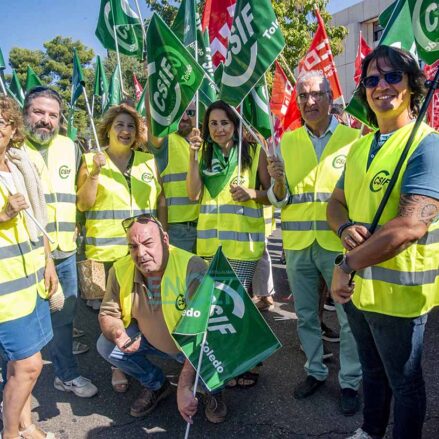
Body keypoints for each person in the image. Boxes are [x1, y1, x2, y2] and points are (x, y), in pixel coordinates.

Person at [328, 45, 439, 439]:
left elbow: (411, 225)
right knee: (371, 370)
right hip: (358, 292)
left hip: (398, 296)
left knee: (405, 384)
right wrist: (343, 230)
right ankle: (371, 430)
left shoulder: (427, 143)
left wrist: (345, 265)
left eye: (393, 76)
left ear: (412, 85)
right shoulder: (360, 146)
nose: (382, 86)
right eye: (372, 79)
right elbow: (335, 203)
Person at [267, 70, 362, 415]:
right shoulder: (287, 142)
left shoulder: (355, 140)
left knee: (348, 316)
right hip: (296, 242)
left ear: (330, 97)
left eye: (316, 94)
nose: (309, 101)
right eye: (303, 96)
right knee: (305, 314)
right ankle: (315, 370)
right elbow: (279, 199)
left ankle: (351, 381)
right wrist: (276, 184)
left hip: (339, 244)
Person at [96, 214, 227, 423]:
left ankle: (212, 388)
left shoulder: (192, 267)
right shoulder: (120, 269)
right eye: (133, 247)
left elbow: (205, 330)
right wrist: (118, 333)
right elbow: (108, 314)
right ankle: (157, 384)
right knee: (106, 345)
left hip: (196, 346)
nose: (141, 254)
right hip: (150, 341)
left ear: (165, 240)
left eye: (148, 243)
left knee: (215, 356)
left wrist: (184, 384)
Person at [77, 103, 166, 393]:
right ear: (108, 129)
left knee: (139, 307)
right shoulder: (92, 159)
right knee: (110, 311)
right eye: (120, 125)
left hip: (140, 252)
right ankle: (118, 364)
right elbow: (83, 204)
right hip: (104, 252)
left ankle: (133, 356)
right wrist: (94, 173)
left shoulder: (147, 161)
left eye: (130, 126)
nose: (125, 131)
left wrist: (162, 236)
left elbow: (160, 200)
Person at [22, 87, 98, 398]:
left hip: (64, 250)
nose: (46, 120)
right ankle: (15, 389)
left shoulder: (70, 147)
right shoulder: (12, 149)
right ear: (25, 113)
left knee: (64, 318)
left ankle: (65, 375)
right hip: (25, 255)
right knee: (20, 324)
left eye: (52, 115)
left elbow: (78, 198)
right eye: (39, 112)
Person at [0, 96, 57, 439]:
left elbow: (38, 219)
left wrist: (49, 261)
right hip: (5, 291)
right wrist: (3, 215)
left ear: (11, 128)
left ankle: (26, 424)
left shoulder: (17, 164)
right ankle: (9, 433)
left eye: (3, 122)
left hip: (32, 280)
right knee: (29, 365)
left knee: (19, 365)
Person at [146, 100, 199, 252]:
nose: (184, 118)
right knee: (178, 276)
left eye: (190, 113)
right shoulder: (168, 141)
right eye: (180, 113)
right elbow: (153, 125)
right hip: (178, 231)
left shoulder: (207, 144)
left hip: (207, 229)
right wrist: (153, 79)